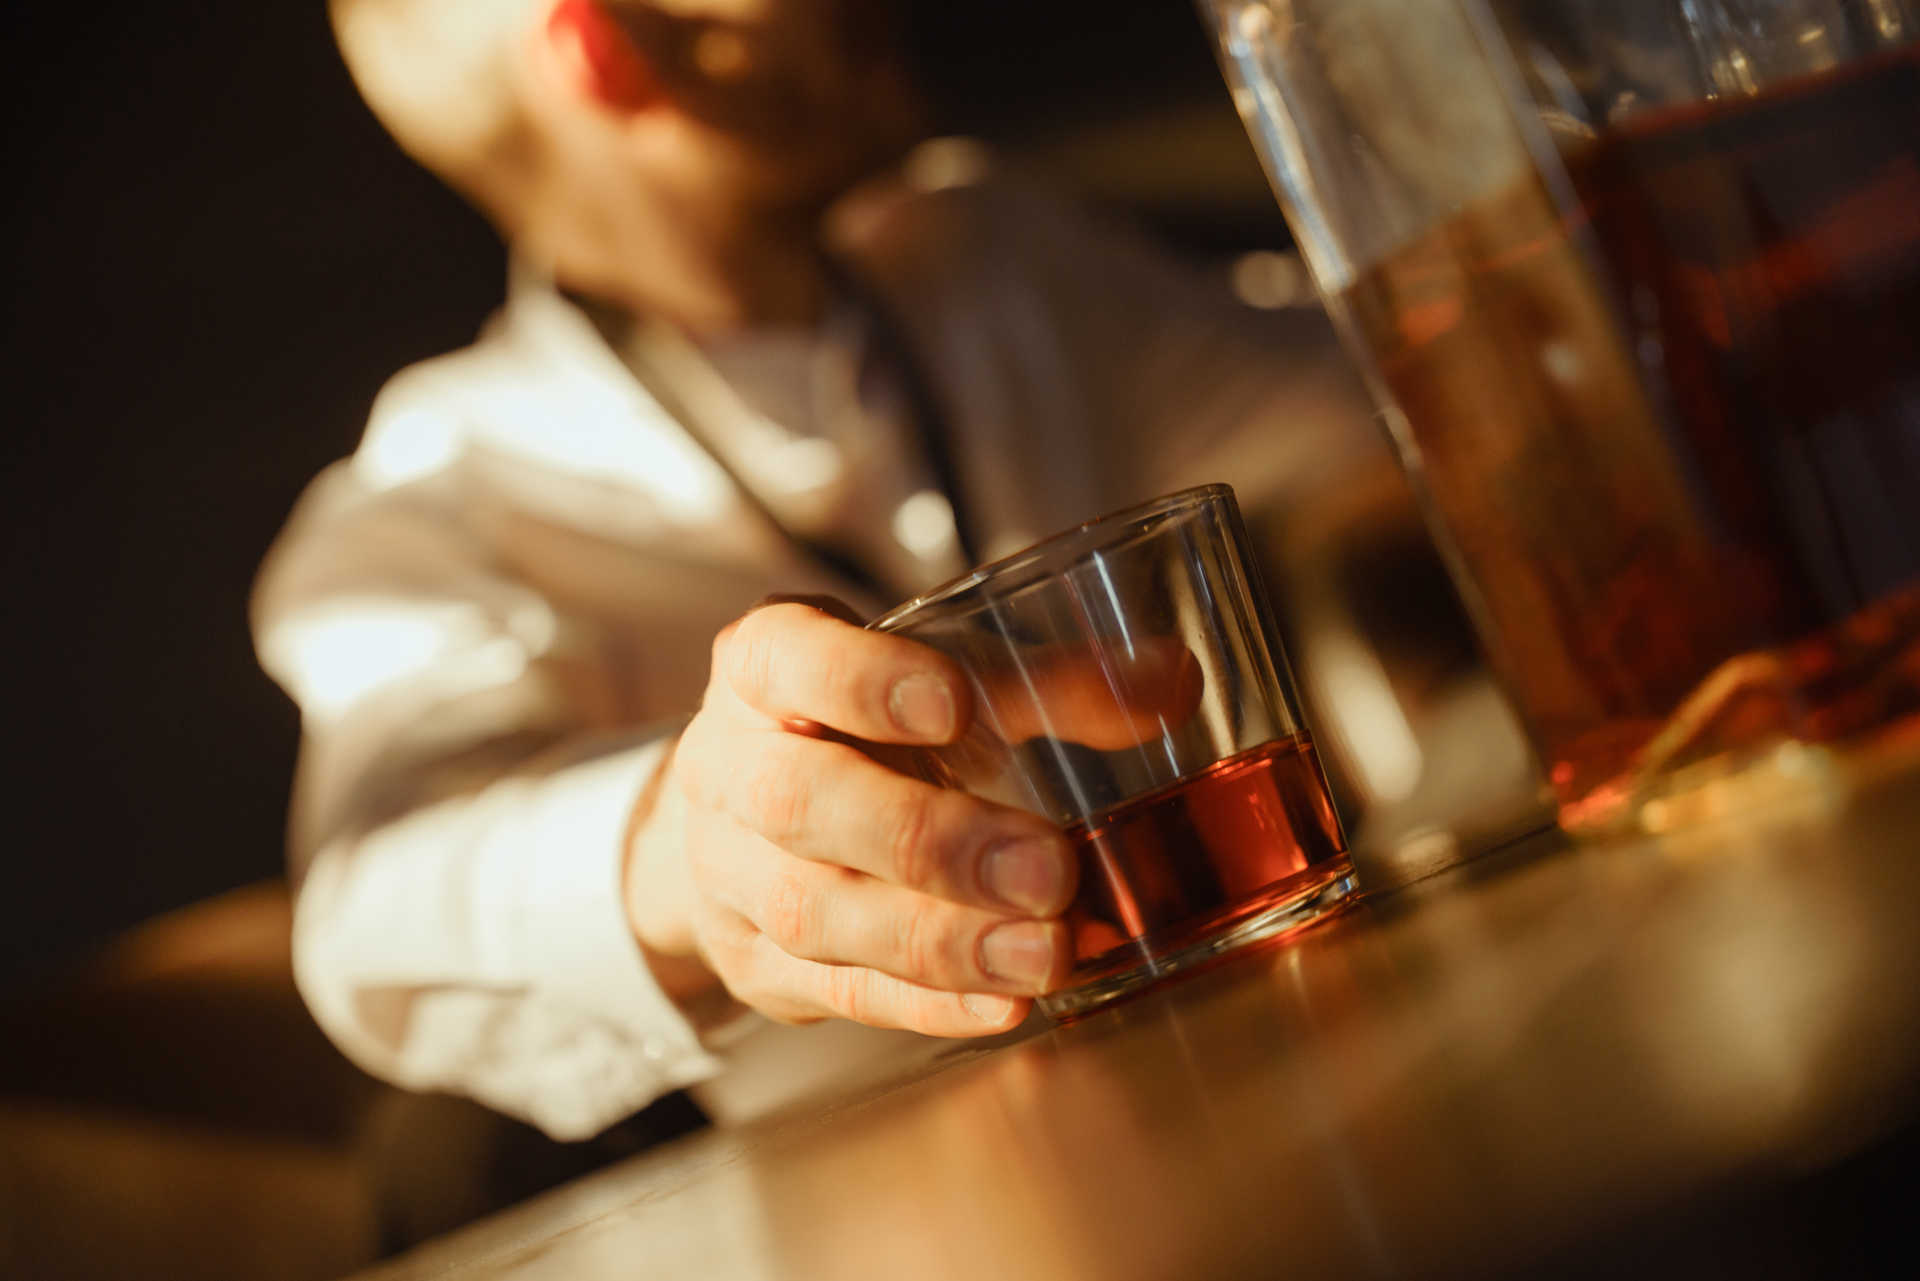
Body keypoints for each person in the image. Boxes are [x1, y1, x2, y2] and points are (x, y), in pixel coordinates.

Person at [254, 0, 1389, 1142]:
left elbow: (1389, 362)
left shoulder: (992, 261)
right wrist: (687, 848)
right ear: (604, 47)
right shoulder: (431, 510)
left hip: (1285, 1069)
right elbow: (373, 903)